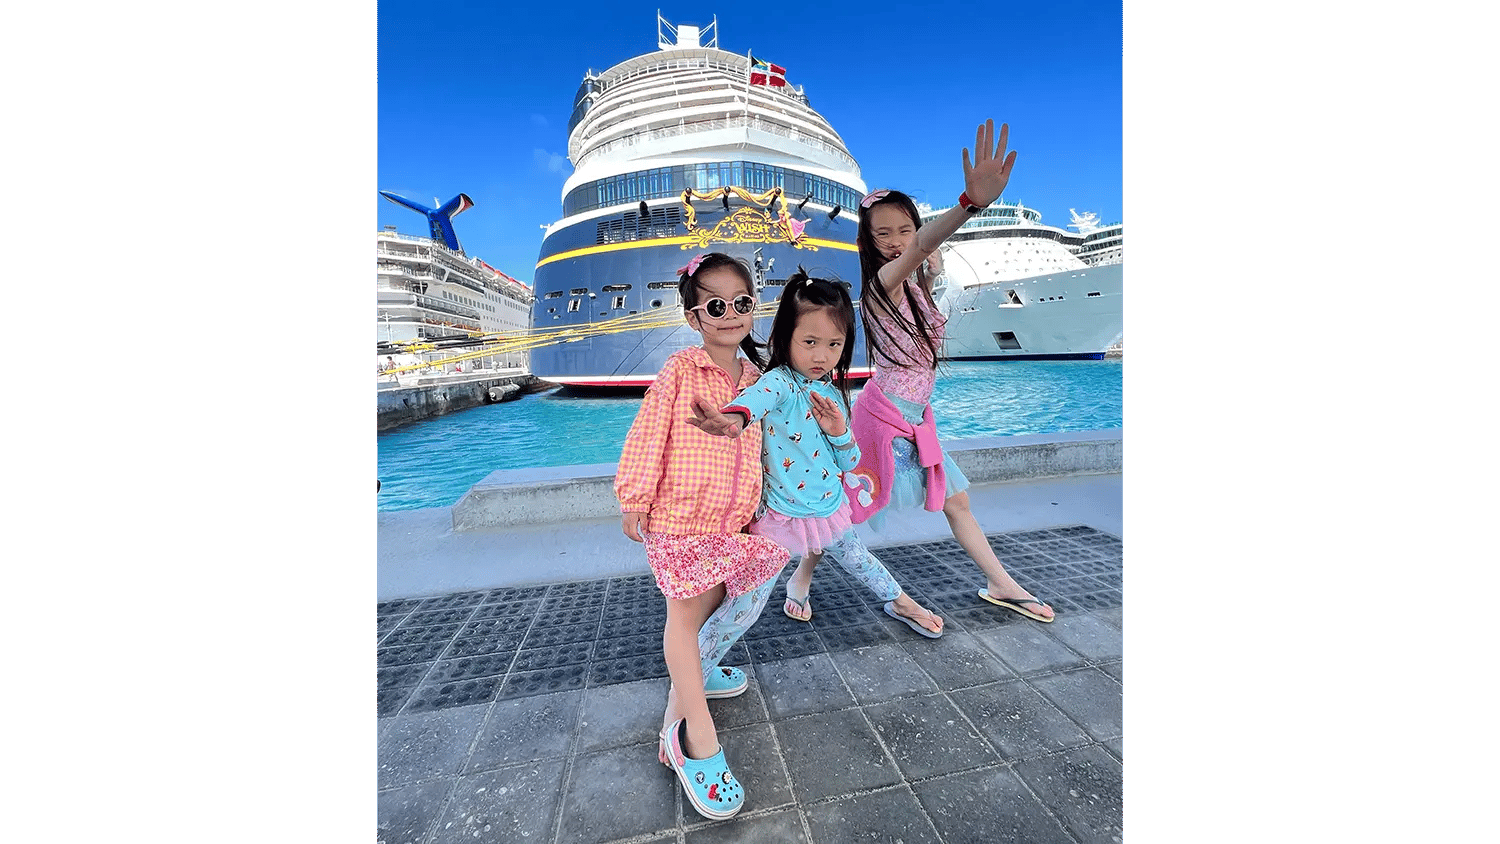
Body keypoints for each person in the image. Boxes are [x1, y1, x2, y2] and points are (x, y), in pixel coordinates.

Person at [850, 119, 1055, 623]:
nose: (897, 241)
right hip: (883, 418)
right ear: (870, 243)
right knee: (844, 508)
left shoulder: (916, 288)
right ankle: (802, 577)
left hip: (917, 419)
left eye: (905, 230)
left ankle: (1001, 582)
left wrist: (933, 270)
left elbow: (924, 259)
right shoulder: (880, 286)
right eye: (884, 235)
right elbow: (920, 251)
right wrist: (970, 203)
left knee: (956, 502)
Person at [613, 251, 789, 821]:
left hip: (730, 521)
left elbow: (765, 450)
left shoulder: (758, 382)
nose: (733, 312)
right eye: (717, 304)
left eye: (743, 302)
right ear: (695, 315)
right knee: (685, 622)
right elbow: (648, 433)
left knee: (724, 601)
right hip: (680, 519)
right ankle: (694, 740)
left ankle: (700, 675)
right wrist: (634, 496)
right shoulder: (680, 371)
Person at [687, 271, 944, 638]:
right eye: (809, 341)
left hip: (829, 509)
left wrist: (839, 432)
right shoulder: (780, 382)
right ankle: (696, 671)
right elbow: (752, 403)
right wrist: (730, 419)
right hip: (780, 517)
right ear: (785, 337)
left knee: (861, 562)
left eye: (834, 345)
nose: (821, 356)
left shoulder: (831, 392)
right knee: (746, 606)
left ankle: (900, 601)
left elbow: (850, 462)